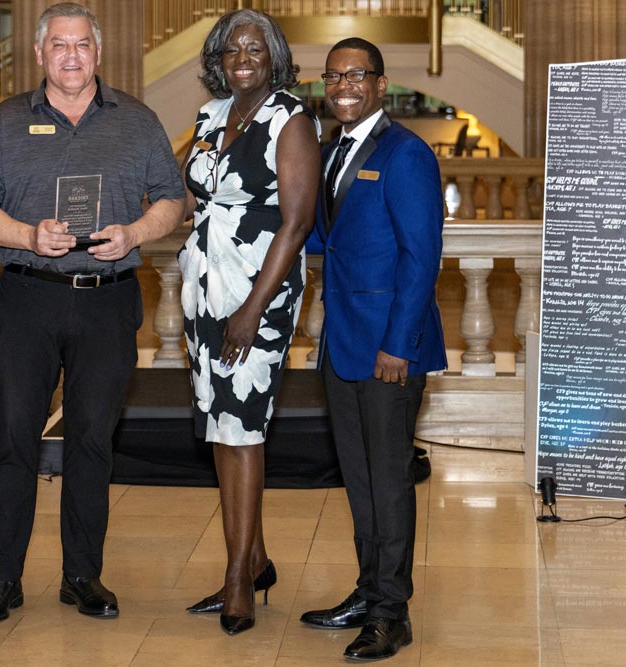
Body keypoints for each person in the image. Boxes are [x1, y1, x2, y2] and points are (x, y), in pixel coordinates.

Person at [0, 2, 186, 625]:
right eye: (58, 44)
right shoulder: (4, 123)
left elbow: (174, 198)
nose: (70, 55)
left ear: (97, 51)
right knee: (12, 441)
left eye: (81, 44)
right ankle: (1, 579)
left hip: (107, 298)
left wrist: (136, 231)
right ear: (39, 54)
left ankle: (83, 575)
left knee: (92, 441)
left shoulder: (137, 122)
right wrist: (29, 236)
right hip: (27, 296)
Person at [299, 37, 446, 662]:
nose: (344, 85)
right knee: (358, 481)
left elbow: (422, 258)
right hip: (342, 344)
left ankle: (392, 613)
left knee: (389, 484)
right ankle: (366, 591)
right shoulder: (331, 150)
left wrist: (398, 346)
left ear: (381, 84)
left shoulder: (406, 154)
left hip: (388, 348)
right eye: (334, 76)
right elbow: (320, 240)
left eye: (357, 74)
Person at [178, 9, 320, 636]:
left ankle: (238, 575)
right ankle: (254, 557)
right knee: (219, 418)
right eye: (232, 49)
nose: (243, 58)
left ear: (273, 58)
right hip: (204, 289)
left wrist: (252, 309)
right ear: (219, 57)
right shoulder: (210, 117)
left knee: (242, 425)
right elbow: (182, 196)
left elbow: (296, 223)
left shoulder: (289, 120)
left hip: (254, 294)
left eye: (255, 49)